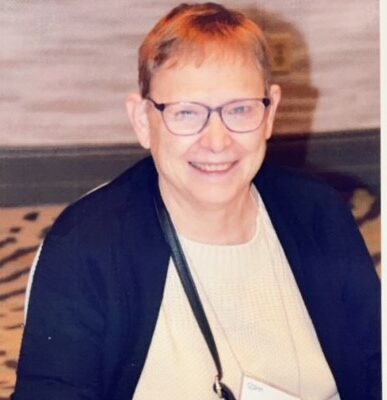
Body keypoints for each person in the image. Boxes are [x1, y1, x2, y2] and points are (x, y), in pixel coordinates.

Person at [12, 3, 380, 400]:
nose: (217, 141)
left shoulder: (319, 215)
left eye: (239, 109)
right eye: (187, 114)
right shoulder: (86, 246)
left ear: (270, 112)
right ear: (141, 120)